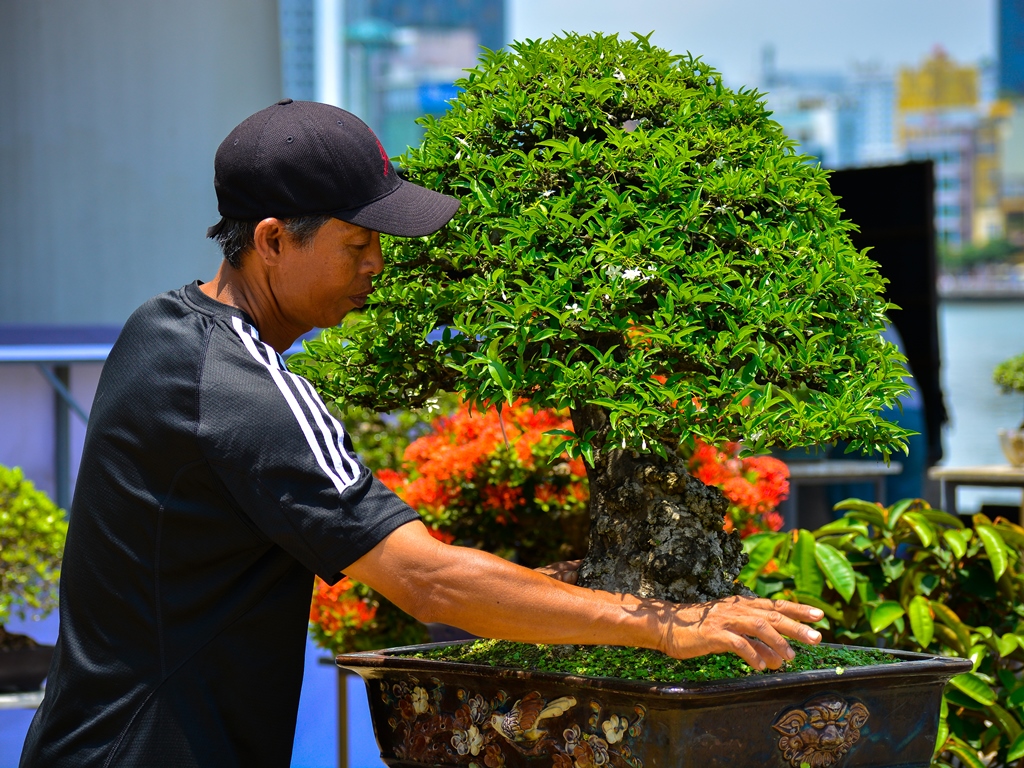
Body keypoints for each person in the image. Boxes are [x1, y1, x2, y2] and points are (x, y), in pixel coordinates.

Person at [20, 100, 823, 768]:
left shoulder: (161, 330)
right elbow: (426, 582)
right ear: (271, 240)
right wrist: (664, 626)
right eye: (358, 244)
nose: (377, 266)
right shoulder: (242, 392)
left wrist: (545, 589)